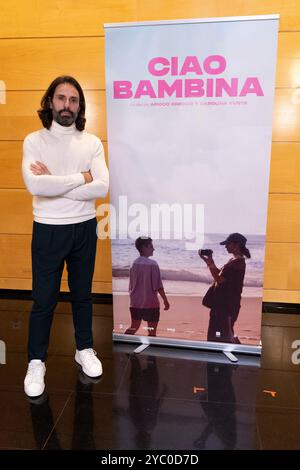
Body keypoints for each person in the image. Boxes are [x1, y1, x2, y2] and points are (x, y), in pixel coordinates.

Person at [22, 75, 109, 398]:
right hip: (47, 229)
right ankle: (36, 361)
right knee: (44, 300)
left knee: (82, 294)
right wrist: (81, 179)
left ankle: (84, 348)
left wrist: (57, 184)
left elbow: (102, 186)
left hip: (84, 227)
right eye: (61, 98)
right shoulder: (35, 141)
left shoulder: (92, 142)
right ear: (50, 102)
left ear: (80, 106)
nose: (67, 105)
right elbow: (36, 187)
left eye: (73, 100)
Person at [199, 233, 251, 343]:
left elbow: (220, 280)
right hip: (224, 305)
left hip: (226, 307)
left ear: (236, 245)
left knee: (223, 338)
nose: (225, 246)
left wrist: (211, 265)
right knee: (224, 335)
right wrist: (210, 263)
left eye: (228, 244)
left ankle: (238, 355)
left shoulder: (238, 263)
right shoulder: (234, 261)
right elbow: (221, 276)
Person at [124, 237, 170, 337]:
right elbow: (158, 286)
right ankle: (150, 351)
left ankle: (122, 344)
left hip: (135, 303)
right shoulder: (153, 264)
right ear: (143, 247)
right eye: (151, 246)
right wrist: (165, 300)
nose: (153, 249)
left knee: (134, 327)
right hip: (151, 303)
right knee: (152, 332)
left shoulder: (133, 263)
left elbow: (132, 285)